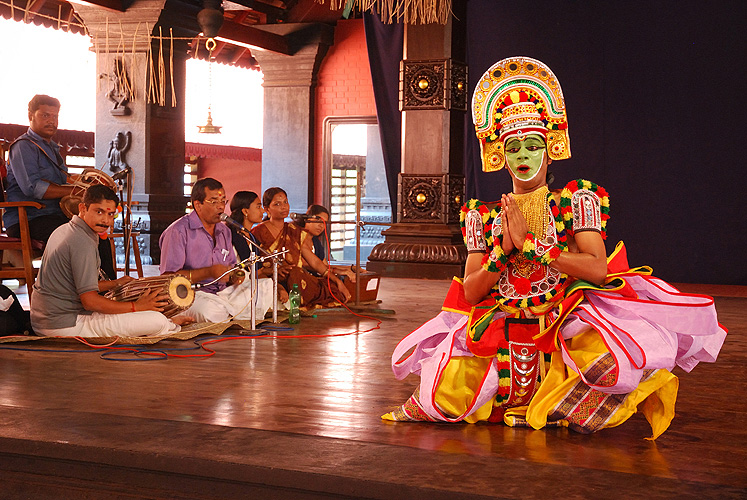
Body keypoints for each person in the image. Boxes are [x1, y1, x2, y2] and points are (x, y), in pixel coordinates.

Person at [382, 57, 726, 438]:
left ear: (551, 147)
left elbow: (598, 269)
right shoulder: (484, 215)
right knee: (445, 394)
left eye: (533, 145)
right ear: (500, 154)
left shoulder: (575, 201)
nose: (524, 157)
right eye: (514, 147)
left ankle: (557, 404)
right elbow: (471, 290)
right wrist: (503, 253)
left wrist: (535, 248)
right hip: (504, 318)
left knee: (612, 363)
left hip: (562, 315)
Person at [30, 185, 183, 338]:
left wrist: (116, 283)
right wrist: (136, 306)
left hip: (44, 320)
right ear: (82, 208)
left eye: (111, 214)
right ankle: (168, 324)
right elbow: (90, 302)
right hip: (63, 325)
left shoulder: (64, 229)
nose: (105, 220)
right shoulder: (82, 241)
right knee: (156, 321)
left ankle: (166, 323)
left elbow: (74, 284)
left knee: (139, 315)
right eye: (99, 211)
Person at [4, 94, 115, 279]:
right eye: (45, 115)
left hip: (53, 215)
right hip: (28, 218)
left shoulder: (52, 148)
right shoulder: (23, 147)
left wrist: (89, 184)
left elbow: (65, 180)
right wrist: (76, 190)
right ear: (30, 115)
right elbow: (33, 188)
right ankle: (77, 291)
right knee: (77, 233)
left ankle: (108, 290)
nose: (51, 121)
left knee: (97, 230)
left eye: (55, 116)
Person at [159, 178, 272, 323]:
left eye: (223, 201)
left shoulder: (224, 231)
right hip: (192, 293)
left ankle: (231, 314)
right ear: (197, 205)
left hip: (222, 292)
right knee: (213, 312)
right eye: (214, 202)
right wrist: (209, 272)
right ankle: (230, 314)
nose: (220, 207)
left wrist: (235, 275)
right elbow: (168, 278)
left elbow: (232, 267)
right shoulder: (178, 231)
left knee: (264, 287)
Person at [251, 187, 351, 308]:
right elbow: (255, 265)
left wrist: (337, 280)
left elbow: (314, 261)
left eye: (285, 202)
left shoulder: (294, 231)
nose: (283, 207)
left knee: (330, 286)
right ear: (267, 209)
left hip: (295, 279)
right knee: (296, 274)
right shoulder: (258, 232)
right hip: (270, 277)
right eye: (277, 204)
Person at [301, 204, 357, 283]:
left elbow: (324, 265)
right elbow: (306, 265)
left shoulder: (316, 242)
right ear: (307, 218)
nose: (321, 226)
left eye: (324, 223)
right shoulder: (296, 237)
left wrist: (351, 268)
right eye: (318, 221)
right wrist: (339, 271)